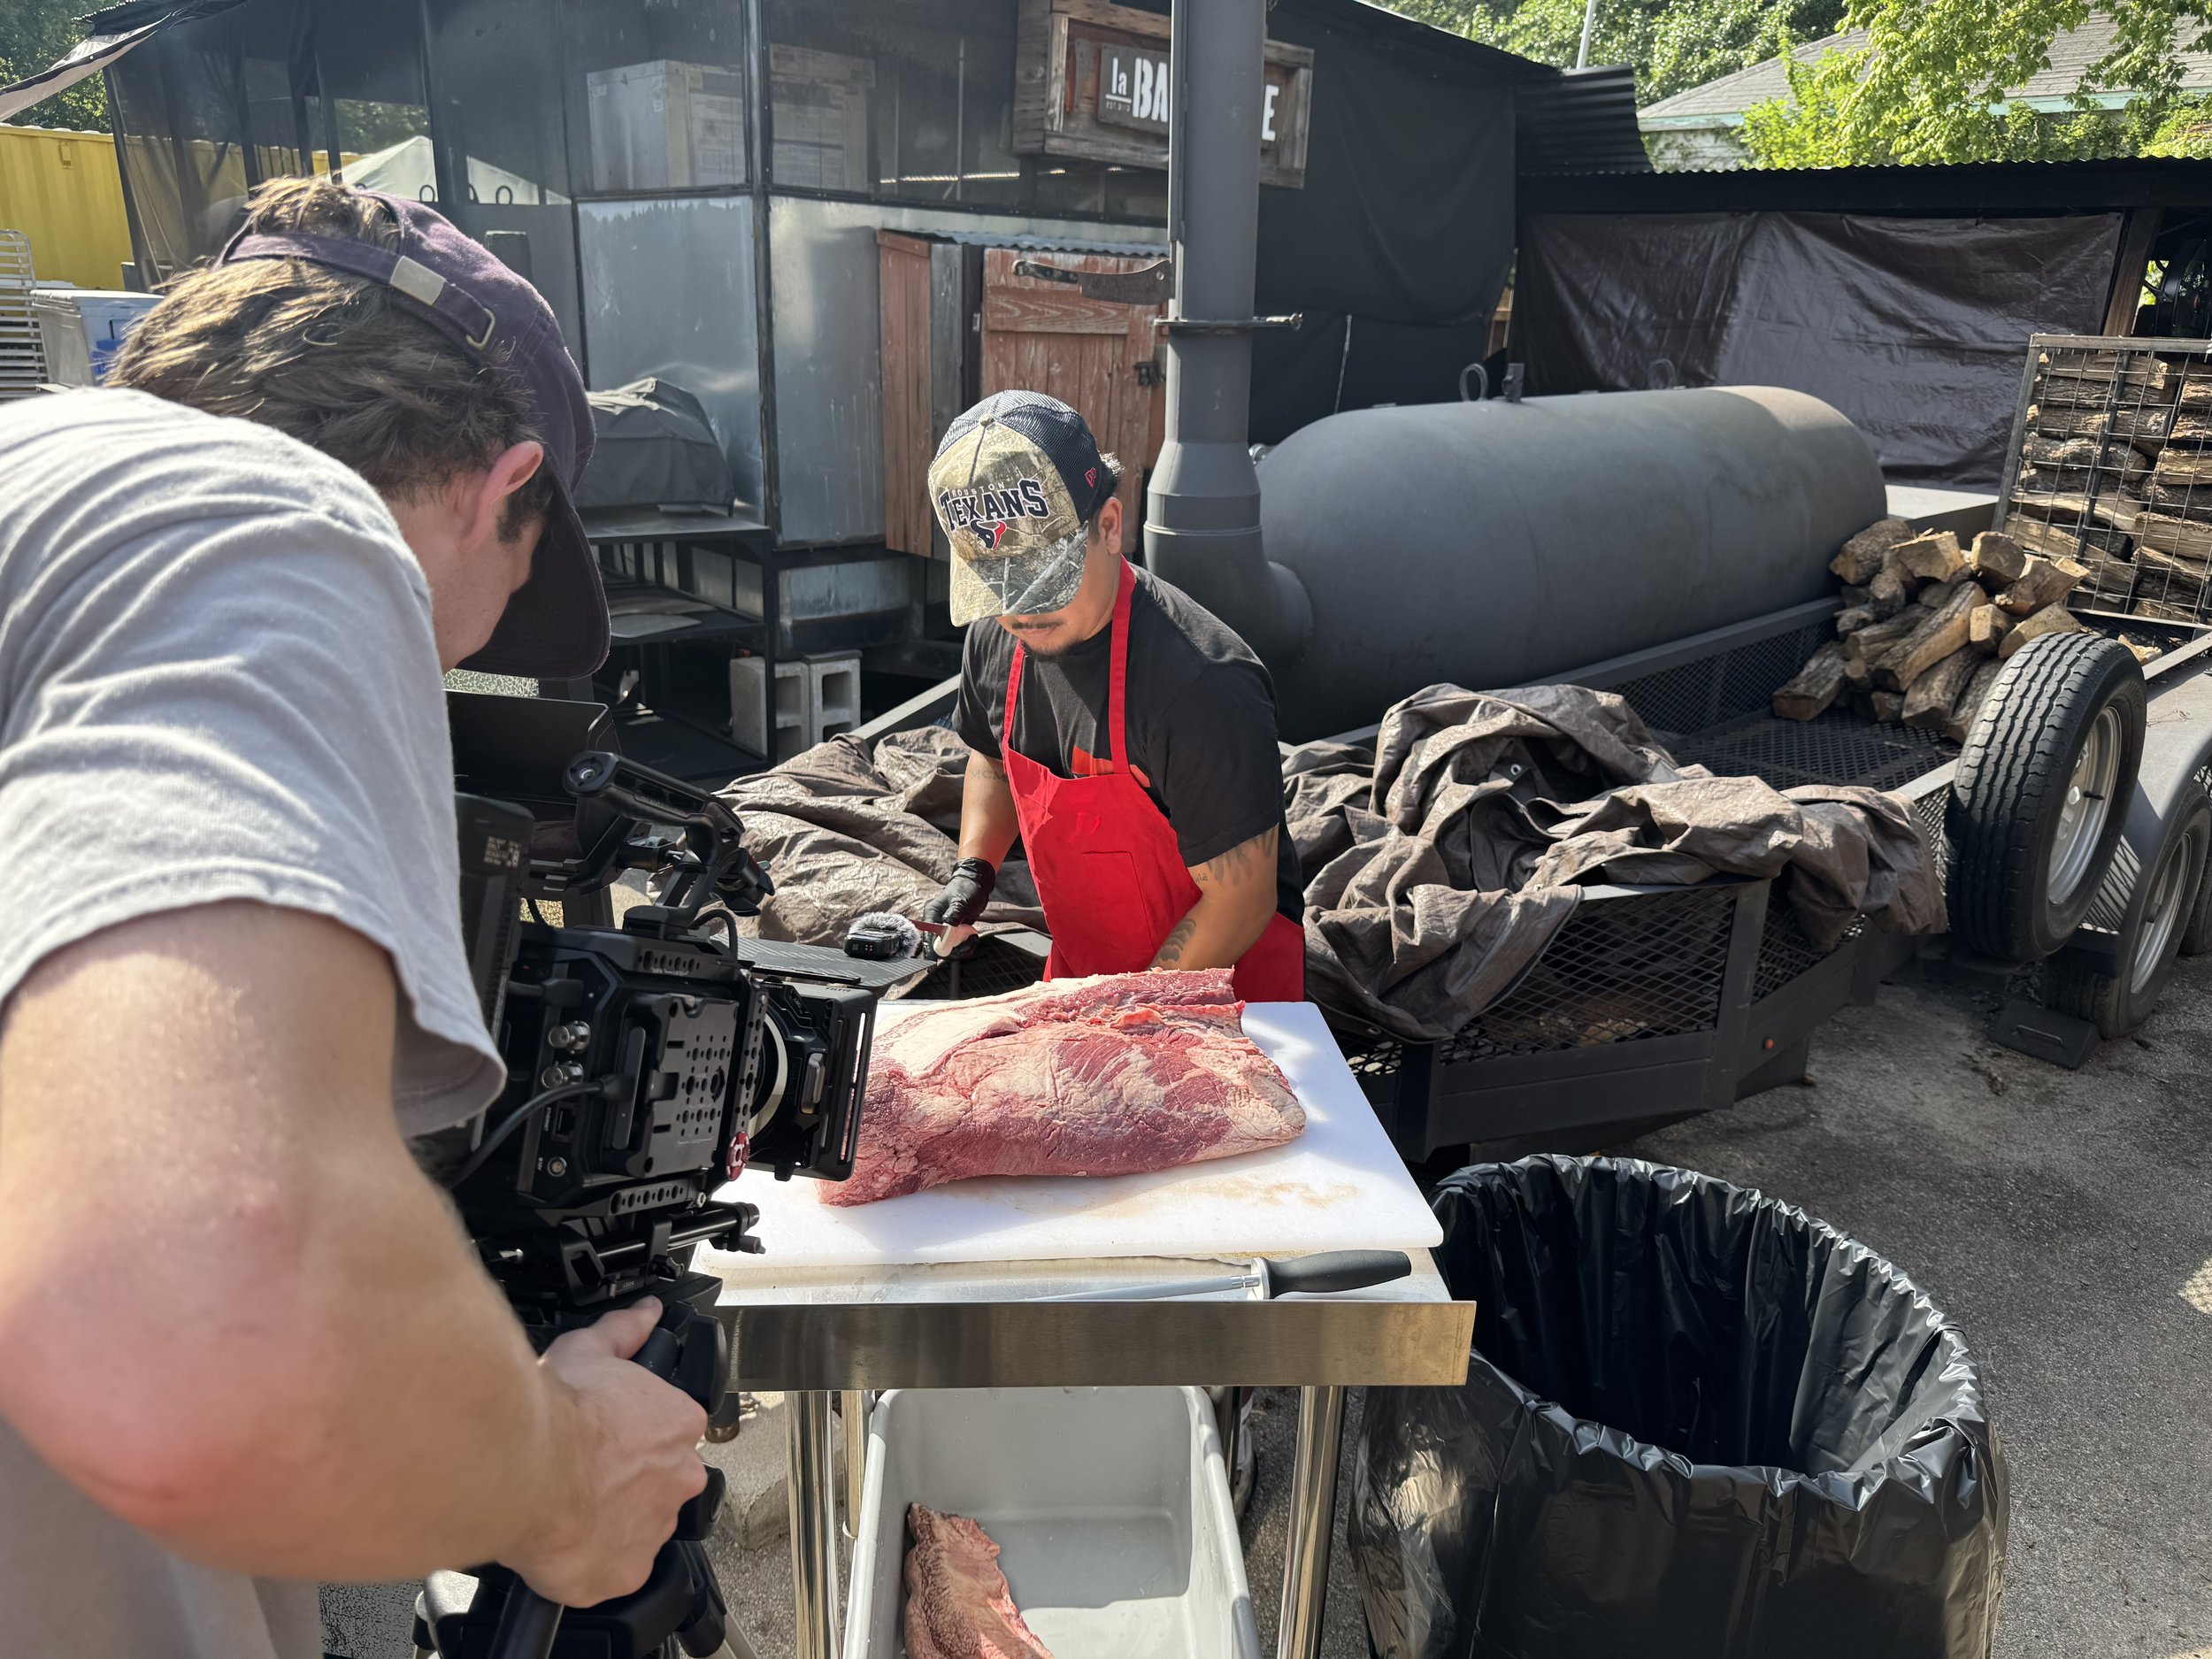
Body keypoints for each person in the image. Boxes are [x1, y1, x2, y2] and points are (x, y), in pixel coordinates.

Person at [0, 179, 707, 1656]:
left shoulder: (42, 501)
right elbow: (204, 1296)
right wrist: (560, 1477)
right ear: (501, 489)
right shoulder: (276, 518)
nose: (445, 665)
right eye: (499, 602)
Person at [923, 391, 1305, 1000]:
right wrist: (976, 866)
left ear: (1108, 526)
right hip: (1086, 980)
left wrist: (1129, 1011)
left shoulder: (1203, 683)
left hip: (1228, 1002)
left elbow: (1242, 898)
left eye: (1044, 580)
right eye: (999, 584)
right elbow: (991, 759)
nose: (1021, 612)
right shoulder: (995, 640)